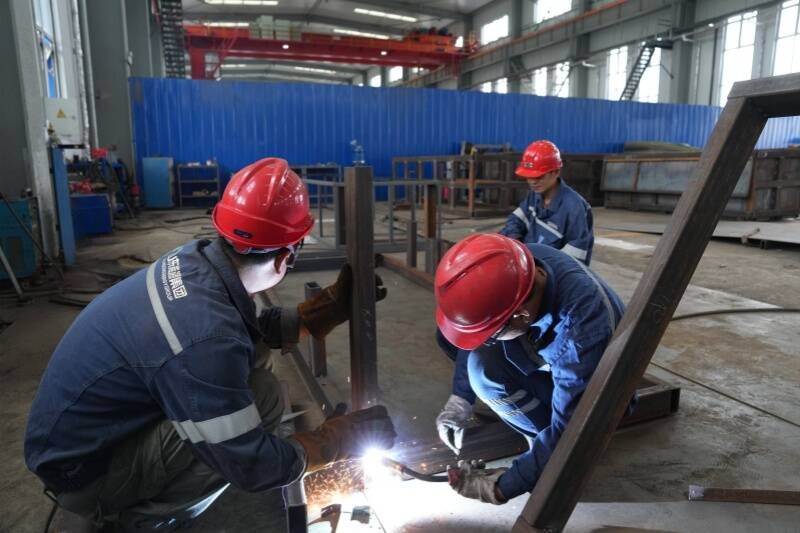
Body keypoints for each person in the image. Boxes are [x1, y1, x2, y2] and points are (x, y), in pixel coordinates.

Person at [24, 158, 396, 531]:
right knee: (260, 401)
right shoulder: (207, 337)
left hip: (85, 436)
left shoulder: (195, 262)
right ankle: (136, 520)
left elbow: (244, 331)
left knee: (255, 366)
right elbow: (254, 466)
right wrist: (331, 441)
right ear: (287, 255)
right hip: (84, 476)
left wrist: (320, 312)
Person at [433, 233, 625, 504]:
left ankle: (551, 458)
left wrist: (503, 487)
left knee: (485, 373)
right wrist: (460, 399)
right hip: (555, 350)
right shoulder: (518, 265)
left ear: (521, 315)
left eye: (494, 332)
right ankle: (541, 446)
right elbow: (478, 330)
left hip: (600, 394)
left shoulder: (580, 336)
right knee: (473, 354)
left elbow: (573, 429)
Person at [500, 140, 594, 265]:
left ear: (556, 172)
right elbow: (516, 220)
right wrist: (515, 240)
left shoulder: (575, 208)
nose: (532, 182)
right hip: (528, 262)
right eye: (528, 176)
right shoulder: (534, 196)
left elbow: (574, 261)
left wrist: (541, 269)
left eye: (539, 177)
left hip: (552, 273)